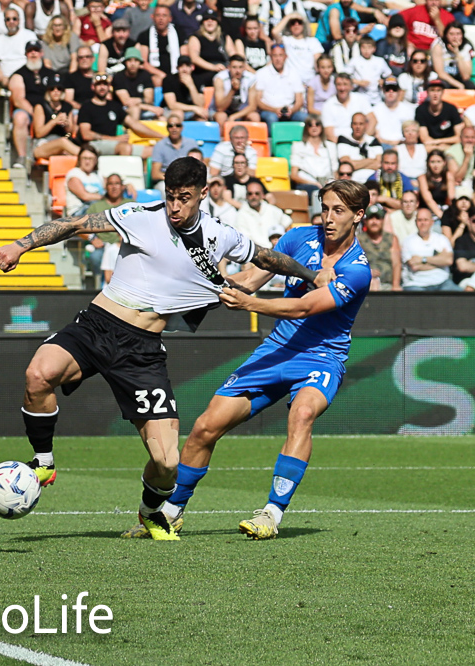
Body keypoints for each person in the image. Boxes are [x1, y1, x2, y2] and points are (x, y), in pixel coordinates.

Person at [0, 156, 327, 541]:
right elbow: (75, 224)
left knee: (167, 462)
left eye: (184, 198)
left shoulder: (221, 235)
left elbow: (266, 257)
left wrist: (312, 274)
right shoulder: (140, 215)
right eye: (170, 197)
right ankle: (43, 462)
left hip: (142, 350)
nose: (174, 207)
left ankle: (151, 512)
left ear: (203, 194)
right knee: (38, 373)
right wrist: (21, 245)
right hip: (97, 326)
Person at [153, 180, 370, 541]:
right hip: (275, 351)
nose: (328, 218)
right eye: (325, 207)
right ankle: (170, 514)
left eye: (339, 211)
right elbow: (250, 279)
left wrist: (249, 305)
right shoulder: (298, 238)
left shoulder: (358, 269)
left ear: (358, 215)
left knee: (301, 414)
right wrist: (204, 284)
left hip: (322, 356)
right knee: (206, 426)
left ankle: (271, 513)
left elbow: (303, 307)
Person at [77, 75, 157, 156]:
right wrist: (114, 139)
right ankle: (123, 169)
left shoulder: (114, 106)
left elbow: (134, 124)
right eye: (98, 85)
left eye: (105, 84)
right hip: (95, 144)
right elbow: (86, 134)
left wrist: (161, 136)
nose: (102, 87)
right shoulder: (86, 107)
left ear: (109, 87)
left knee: (153, 151)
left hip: (115, 144)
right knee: (125, 148)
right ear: (92, 87)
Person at [8, 40, 58, 167]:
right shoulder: (19, 75)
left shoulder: (51, 74)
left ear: (41, 53)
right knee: (19, 118)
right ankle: (22, 156)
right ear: (26, 54)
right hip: (29, 111)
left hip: (50, 111)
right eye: (30, 51)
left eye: (36, 50)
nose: (33, 54)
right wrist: (36, 114)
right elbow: (18, 99)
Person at [250, 43, 308, 125]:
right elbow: (258, 100)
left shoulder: (294, 73)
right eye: (275, 55)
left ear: (286, 57)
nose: (278, 59)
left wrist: (292, 110)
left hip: (290, 110)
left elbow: (299, 100)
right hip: (269, 110)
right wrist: (275, 110)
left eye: (280, 55)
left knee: (304, 117)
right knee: (272, 118)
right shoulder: (262, 73)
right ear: (271, 57)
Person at [401, 207, 457, 290]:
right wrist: (439, 262)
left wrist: (423, 259)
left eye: (425, 220)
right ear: (415, 222)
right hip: (416, 284)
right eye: (420, 220)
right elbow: (414, 266)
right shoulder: (408, 241)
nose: (423, 223)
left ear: (432, 222)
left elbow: (449, 260)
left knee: (464, 298)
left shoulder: (441, 239)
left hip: (442, 283)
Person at [32, 77, 80, 160]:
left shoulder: (67, 107)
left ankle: (86, 157)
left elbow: (70, 132)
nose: (56, 91)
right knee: (63, 142)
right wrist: (54, 122)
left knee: (65, 145)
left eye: (59, 89)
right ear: (48, 91)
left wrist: (66, 124)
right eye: (52, 89)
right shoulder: (41, 106)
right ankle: (85, 156)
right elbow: (39, 133)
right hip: (43, 144)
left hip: (63, 145)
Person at [234, 180, 292, 247]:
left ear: (263, 195)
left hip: (276, 250)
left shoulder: (272, 209)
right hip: (255, 253)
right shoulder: (241, 214)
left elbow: (287, 223)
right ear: (246, 196)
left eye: (257, 193)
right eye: (250, 194)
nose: (253, 196)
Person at [290, 114, 339, 192]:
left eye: (317, 124)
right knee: (315, 190)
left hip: (327, 183)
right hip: (307, 184)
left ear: (321, 127)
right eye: (310, 125)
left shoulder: (330, 146)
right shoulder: (298, 146)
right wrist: (314, 183)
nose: (314, 127)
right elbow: (294, 175)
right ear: (306, 128)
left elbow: (335, 172)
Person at [358, 204, 402, 290]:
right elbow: (355, 265)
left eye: (377, 218)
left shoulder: (392, 239)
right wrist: (367, 273)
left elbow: (396, 264)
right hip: (367, 284)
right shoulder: (359, 240)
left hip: (388, 284)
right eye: (371, 218)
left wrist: (395, 285)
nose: (374, 222)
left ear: (382, 221)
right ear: (365, 221)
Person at [139, 6, 185, 88]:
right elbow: (143, 62)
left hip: (176, 72)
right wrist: (161, 74)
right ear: (152, 17)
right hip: (157, 75)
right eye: (158, 15)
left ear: (170, 18)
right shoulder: (145, 35)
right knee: (155, 80)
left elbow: (185, 56)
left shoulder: (179, 33)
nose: (161, 18)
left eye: (164, 15)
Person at [151, 113, 199, 189]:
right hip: (166, 181)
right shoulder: (159, 145)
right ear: (167, 128)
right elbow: (155, 174)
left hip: (188, 181)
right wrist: (173, 179)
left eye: (178, 125)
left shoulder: (191, 144)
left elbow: (198, 167)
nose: (174, 128)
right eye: (171, 126)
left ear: (182, 128)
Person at [322, 72, 373, 141]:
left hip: (361, 142)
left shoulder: (361, 99)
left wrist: (363, 139)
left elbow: (373, 120)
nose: (342, 88)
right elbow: (329, 133)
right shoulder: (328, 105)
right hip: (339, 144)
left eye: (345, 84)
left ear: (351, 86)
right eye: (339, 85)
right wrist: (345, 144)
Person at [275, 13, 322, 85]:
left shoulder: (313, 41)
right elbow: (274, 32)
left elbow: (318, 63)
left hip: (309, 81)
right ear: (289, 26)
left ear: (304, 25)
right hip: (291, 81)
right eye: (293, 23)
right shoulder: (286, 40)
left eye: (299, 22)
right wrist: (289, 16)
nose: (296, 24)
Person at [211, 54, 259, 126]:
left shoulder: (251, 79)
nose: (237, 71)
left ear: (244, 68)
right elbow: (220, 108)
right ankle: (222, 137)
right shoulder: (220, 79)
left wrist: (234, 117)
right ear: (229, 67)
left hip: (241, 112)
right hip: (223, 111)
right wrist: (232, 90)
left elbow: (252, 106)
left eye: (240, 67)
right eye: (234, 67)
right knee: (221, 117)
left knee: (254, 116)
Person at [188, 13, 231, 89]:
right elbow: (194, 58)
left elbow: (233, 55)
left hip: (224, 71)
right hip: (204, 73)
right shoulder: (196, 37)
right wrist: (213, 67)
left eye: (213, 19)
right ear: (202, 23)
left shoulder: (224, 38)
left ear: (217, 22)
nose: (210, 21)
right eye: (206, 19)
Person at [161, 56, 211, 120]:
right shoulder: (169, 80)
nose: (184, 69)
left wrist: (191, 86)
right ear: (177, 68)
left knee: (202, 116)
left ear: (192, 68)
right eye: (181, 66)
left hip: (191, 112)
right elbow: (172, 105)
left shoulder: (198, 80)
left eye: (187, 66)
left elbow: (200, 104)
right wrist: (193, 108)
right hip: (173, 111)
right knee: (179, 114)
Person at [336, 112, 382, 181]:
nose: (358, 127)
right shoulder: (344, 140)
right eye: (355, 124)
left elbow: (379, 164)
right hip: (353, 181)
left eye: (361, 124)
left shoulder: (373, 141)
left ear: (366, 125)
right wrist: (371, 160)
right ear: (351, 125)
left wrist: (356, 164)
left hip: (373, 181)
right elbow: (347, 165)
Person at [370, 77, 415, 146]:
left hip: (401, 145)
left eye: (394, 89)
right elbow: (375, 133)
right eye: (388, 89)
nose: (391, 92)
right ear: (383, 91)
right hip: (380, 144)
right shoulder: (375, 110)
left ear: (399, 91)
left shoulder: (408, 110)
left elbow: (410, 131)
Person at [348, 35, 392, 104]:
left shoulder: (380, 61)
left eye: (369, 47)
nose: (366, 50)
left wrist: (383, 81)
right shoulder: (355, 61)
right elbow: (345, 76)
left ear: (374, 49)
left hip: (377, 98)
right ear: (360, 48)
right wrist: (358, 82)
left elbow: (390, 75)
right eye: (363, 47)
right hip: (360, 97)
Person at [432, 21, 475, 90]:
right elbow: (440, 73)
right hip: (444, 78)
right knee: (442, 85)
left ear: (462, 35)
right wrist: (458, 85)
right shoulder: (438, 46)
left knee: (470, 85)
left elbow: (466, 76)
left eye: (458, 34)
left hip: (459, 77)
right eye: (451, 34)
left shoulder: (466, 47)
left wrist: (457, 53)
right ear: (446, 35)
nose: (455, 37)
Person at [63, 144, 105, 215]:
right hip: (78, 212)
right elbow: (85, 196)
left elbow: (110, 186)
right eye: (85, 158)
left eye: (90, 159)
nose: (87, 162)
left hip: (96, 207)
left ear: (95, 161)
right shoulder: (74, 174)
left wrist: (126, 185)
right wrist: (107, 198)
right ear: (79, 159)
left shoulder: (98, 174)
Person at [418, 149, 455, 213]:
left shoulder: (448, 176)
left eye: (438, 162)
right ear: (428, 163)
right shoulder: (422, 178)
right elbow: (429, 201)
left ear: (444, 163)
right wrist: (442, 217)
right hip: (427, 211)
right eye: (432, 162)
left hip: (444, 209)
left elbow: (451, 198)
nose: (436, 165)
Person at [447, 125, 475, 194]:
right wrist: (467, 157)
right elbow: (457, 178)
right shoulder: (451, 152)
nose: (470, 140)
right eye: (467, 137)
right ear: (461, 138)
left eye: (473, 137)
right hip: (459, 186)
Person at [451, 210, 475, 285]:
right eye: (474, 221)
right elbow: (462, 266)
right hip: (466, 280)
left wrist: (471, 265)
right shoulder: (461, 241)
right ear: (468, 221)